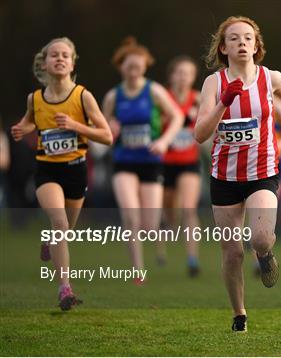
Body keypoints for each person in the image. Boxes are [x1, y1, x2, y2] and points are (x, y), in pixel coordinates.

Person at [195, 16, 281, 332]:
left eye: (247, 38)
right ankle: (239, 314)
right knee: (231, 252)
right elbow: (200, 134)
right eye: (234, 38)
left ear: (256, 46)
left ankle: (266, 252)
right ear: (223, 47)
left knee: (258, 238)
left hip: (262, 172)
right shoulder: (213, 84)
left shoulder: (270, 78)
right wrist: (222, 104)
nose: (241, 43)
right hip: (224, 179)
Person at [11, 37, 113, 310]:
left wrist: (75, 126)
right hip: (46, 170)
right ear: (44, 63)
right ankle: (64, 289)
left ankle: (49, 238)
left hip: (76, 171)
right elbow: (31, 120)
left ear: (72, 62)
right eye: (54, 55)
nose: (59, 59)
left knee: (65, 230)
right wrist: (24, 129)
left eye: (65, 55)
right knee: (60, 225)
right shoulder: (35, 98)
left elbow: (107, 136)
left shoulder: (82, 96)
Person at [102, 37, 182, 283]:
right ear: (121, 67)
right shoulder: (113, 97)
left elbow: (177, 116)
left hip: (150, 161)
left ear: (145, 66)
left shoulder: (154, 90)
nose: (134, 70)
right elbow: (102, 129)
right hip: (124, 161)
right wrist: (110, 128)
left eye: (138, 66)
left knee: (149, 223)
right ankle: (137, 269)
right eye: (129, 66)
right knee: (130, 215)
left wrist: (165, 141)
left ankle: (157, 241)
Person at [161, 55, 203, 275]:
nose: (184, 77)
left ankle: (192, 259)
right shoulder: (162, 98)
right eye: (180, 72)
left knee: (189, 208)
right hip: (165, 163)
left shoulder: (198, 99)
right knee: (170, 212)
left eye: (188, 73)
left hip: (189, 162)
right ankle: (167, 232)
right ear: (172, 75)